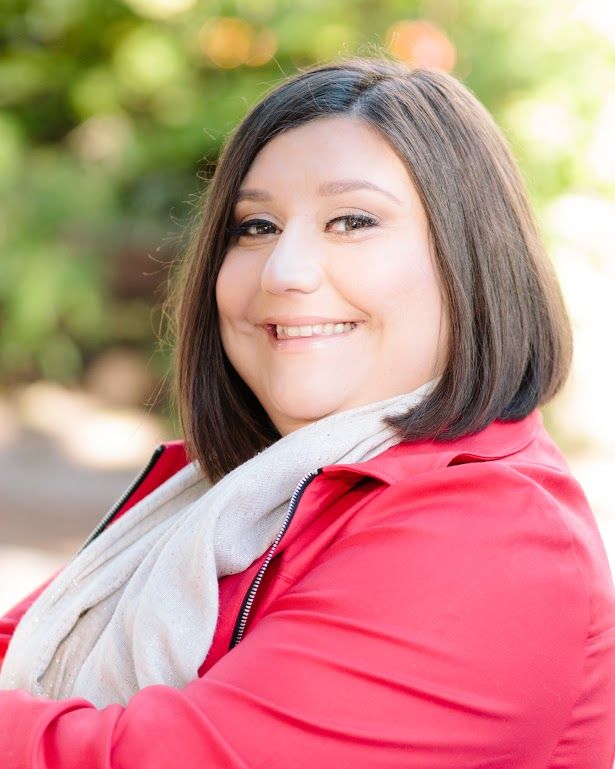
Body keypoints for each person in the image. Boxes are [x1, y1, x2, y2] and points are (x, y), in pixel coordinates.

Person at [0, 56, 614, 768]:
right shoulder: (226, 502)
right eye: (255, 226)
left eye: (351, 220)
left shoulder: (489, 537)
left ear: (469, 259)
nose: (284, 271)